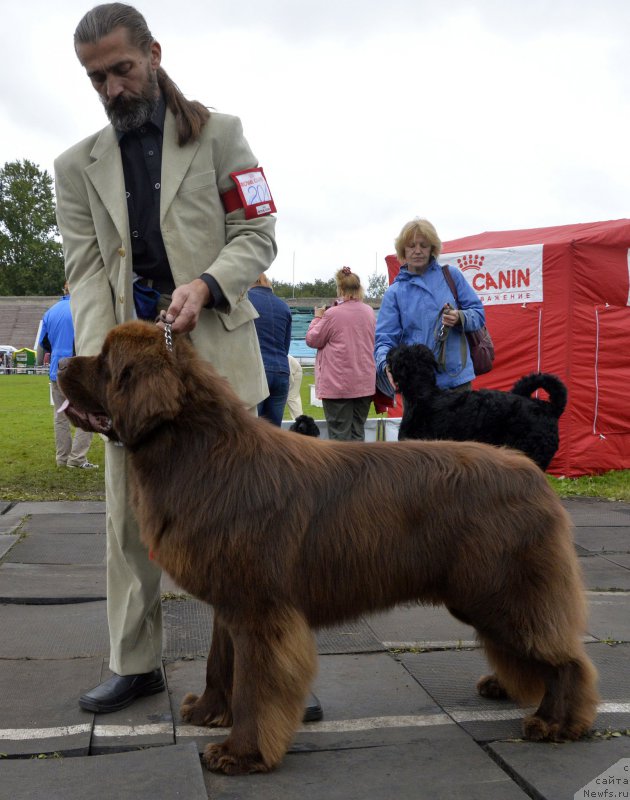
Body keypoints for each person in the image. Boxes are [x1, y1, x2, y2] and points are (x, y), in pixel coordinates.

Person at [53, 3, 285, 715]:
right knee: (128, 524)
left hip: (216, 356)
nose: (113, 88)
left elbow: (259, 232)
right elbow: (86, 273)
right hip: (130, 374)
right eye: (97, 78)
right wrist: (101, 377)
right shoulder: (74, 165)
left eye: (122, 69)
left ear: (153, 53)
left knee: (245, 528)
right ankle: (135, 663)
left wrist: (207, 285)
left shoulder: (222, 135)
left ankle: (265, 669)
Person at [374, 218, 486, 394]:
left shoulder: (452, 276)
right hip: (418, 386)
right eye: (411, 246)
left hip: (457, 381)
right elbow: (385, 339)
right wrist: (385, 364)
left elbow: (479, 315)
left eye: (423, 245)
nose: (417, 251)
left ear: (432, 248)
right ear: (403, 249)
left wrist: (460, 317)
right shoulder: (394, 293)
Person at [305, 267, 376, 441]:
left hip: (338, 385)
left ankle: (343, 469)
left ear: (340, 289)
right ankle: (360, 469)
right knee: (358, 433)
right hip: (364, 384)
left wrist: (317, 318)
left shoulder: (332, 314)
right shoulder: (369, 312)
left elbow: (312, 340)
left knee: (339, 437)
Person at [37, 282, 97, 469]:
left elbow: (44, 344)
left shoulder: (51, 312)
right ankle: (77, 458)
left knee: (60, 416)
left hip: (57, 371)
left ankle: (62, 458)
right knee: (87, 414)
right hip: (78, 372)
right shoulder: (83, 309)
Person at [248, 274, 292, 426]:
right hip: (281, 370)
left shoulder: (245, 301)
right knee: (274, 434)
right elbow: (286, 346)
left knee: (251, 431)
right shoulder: (283, 306)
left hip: (255, 370)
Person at [286, 354, 304, 419]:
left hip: (292, 368)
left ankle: (301, 423)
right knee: (292, 398)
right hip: (291, 366)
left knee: (292, 398)